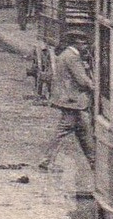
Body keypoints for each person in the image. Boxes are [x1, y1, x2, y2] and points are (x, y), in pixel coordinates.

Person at [39, 38, 95, 171]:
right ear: (76, 43)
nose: (86, 46)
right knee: (65, 130)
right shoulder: (72, 57)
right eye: (84, 43)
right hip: (72, 100)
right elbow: (82, 80)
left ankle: (93, 161)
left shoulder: (66, 54)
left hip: (68, 99)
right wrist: (94, 86)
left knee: (83, 131)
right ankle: (47, 161)